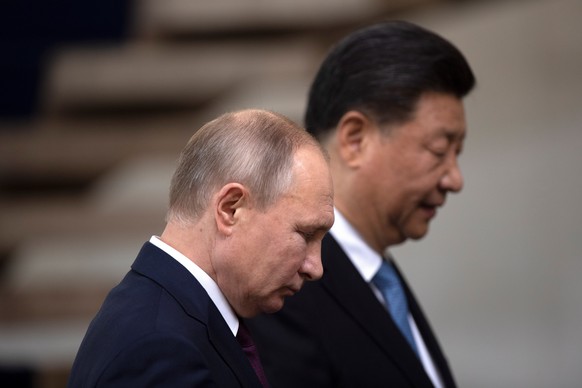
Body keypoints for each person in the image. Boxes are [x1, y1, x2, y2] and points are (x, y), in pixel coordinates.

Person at [246, 21, 476, 388]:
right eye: (438, 150)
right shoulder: (283, 288)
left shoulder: (381, 278)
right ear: (355, 139)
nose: (455, 179)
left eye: (457, 154)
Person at [67, 109, 335, 387]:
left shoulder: (178, 320)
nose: (315, 267)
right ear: (231, 209)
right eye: (305, 234)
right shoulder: (160, 347)